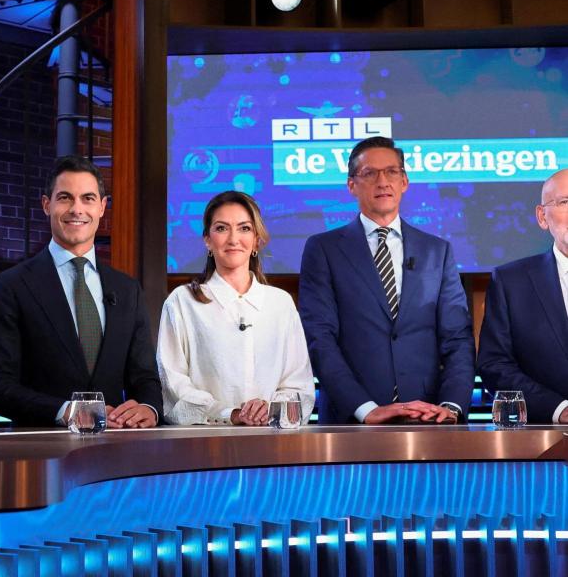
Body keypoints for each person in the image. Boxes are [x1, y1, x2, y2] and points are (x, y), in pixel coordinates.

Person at [0, 155, 163, 427]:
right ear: (46, 205)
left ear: (102, 206)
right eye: (65, 198)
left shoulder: (127, 290)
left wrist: (148, 408)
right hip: (40, 453)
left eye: (88, 198)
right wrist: (65, 410)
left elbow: (144, 376)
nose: (77, 209)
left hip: (115, 452)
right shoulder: (11, 286)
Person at [298, 136, 474, 424]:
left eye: (392, 172)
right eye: (370, 173)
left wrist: (450, 407)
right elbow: (320, 339)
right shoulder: (324, 249)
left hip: (427, 418)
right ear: (351, 185)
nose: (383, 181)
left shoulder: (437, 251)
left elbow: (457, 338)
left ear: (404, 182)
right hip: (351, 421)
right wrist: (365, 409)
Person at [157, 191, 314, 425]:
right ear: (207, 240)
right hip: (204, 444)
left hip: (272, 441)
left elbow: (298, 384)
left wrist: (268, 409)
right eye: (221, 228)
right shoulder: (182, 301)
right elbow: (173, 387)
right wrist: (230, 414)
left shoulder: (281, 303)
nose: (233, 239)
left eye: (244, 228)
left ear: (256, 241)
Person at [477, 168, 568, 423]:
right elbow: (495, 365)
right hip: (544, 442)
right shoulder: (511, 282)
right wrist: (559, 409)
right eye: (565, 202)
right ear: (542, 216)